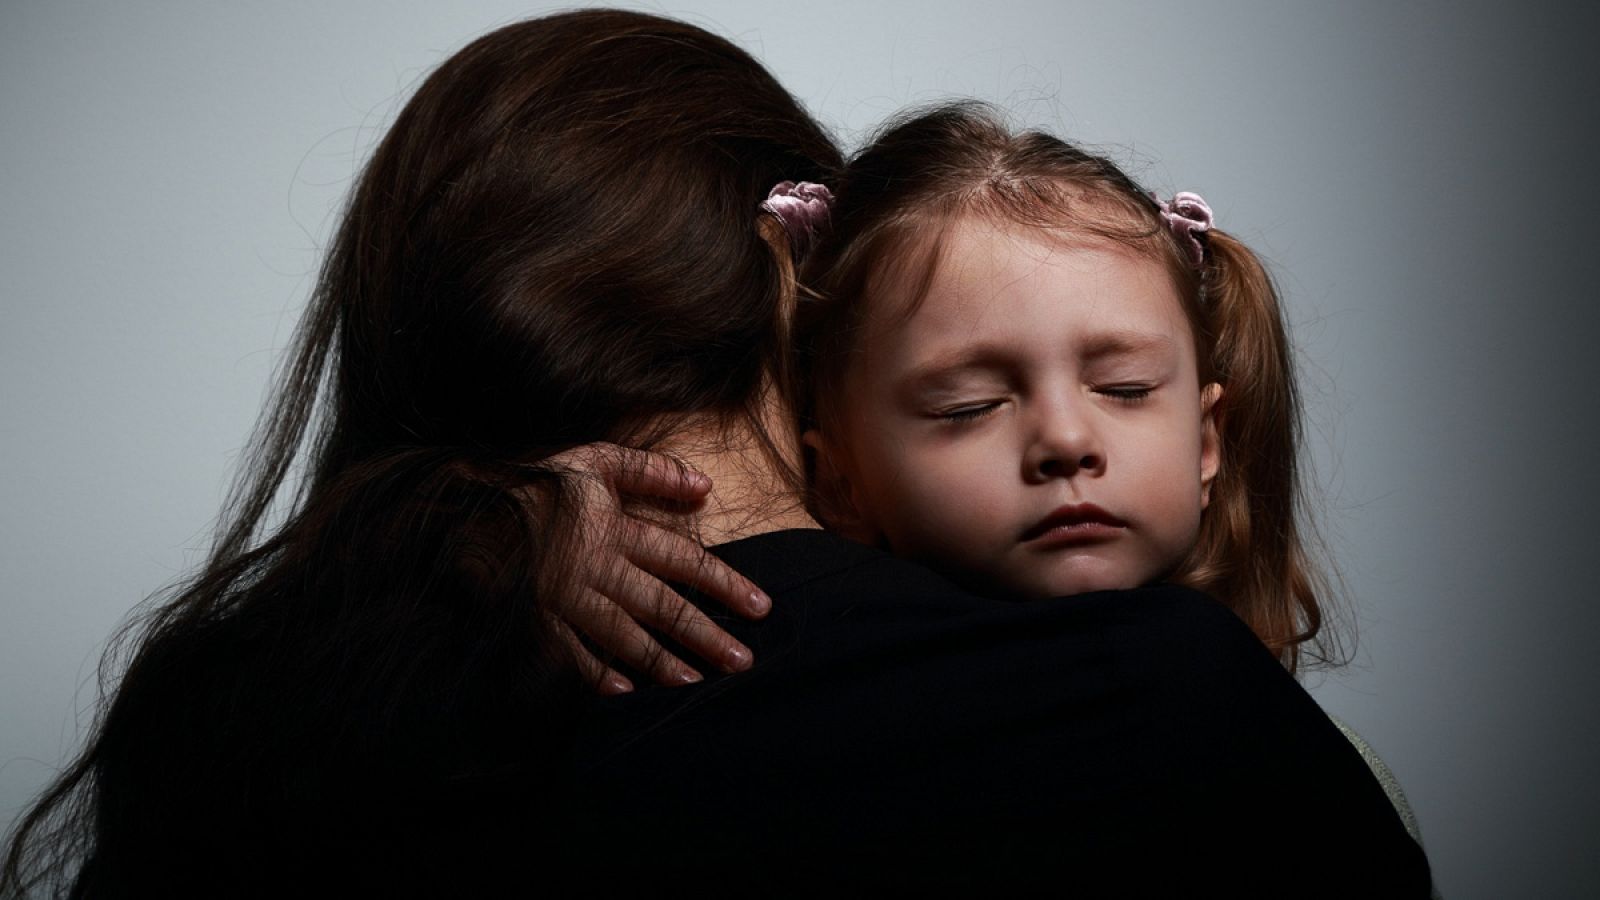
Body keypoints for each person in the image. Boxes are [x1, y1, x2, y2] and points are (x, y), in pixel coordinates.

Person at [0, 10, 1430, 898]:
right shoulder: (1163, 713)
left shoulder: (257, 739)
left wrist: (444, 534)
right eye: (968, 395)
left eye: (1120, 384)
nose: (1063, 442)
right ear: (805, 328)